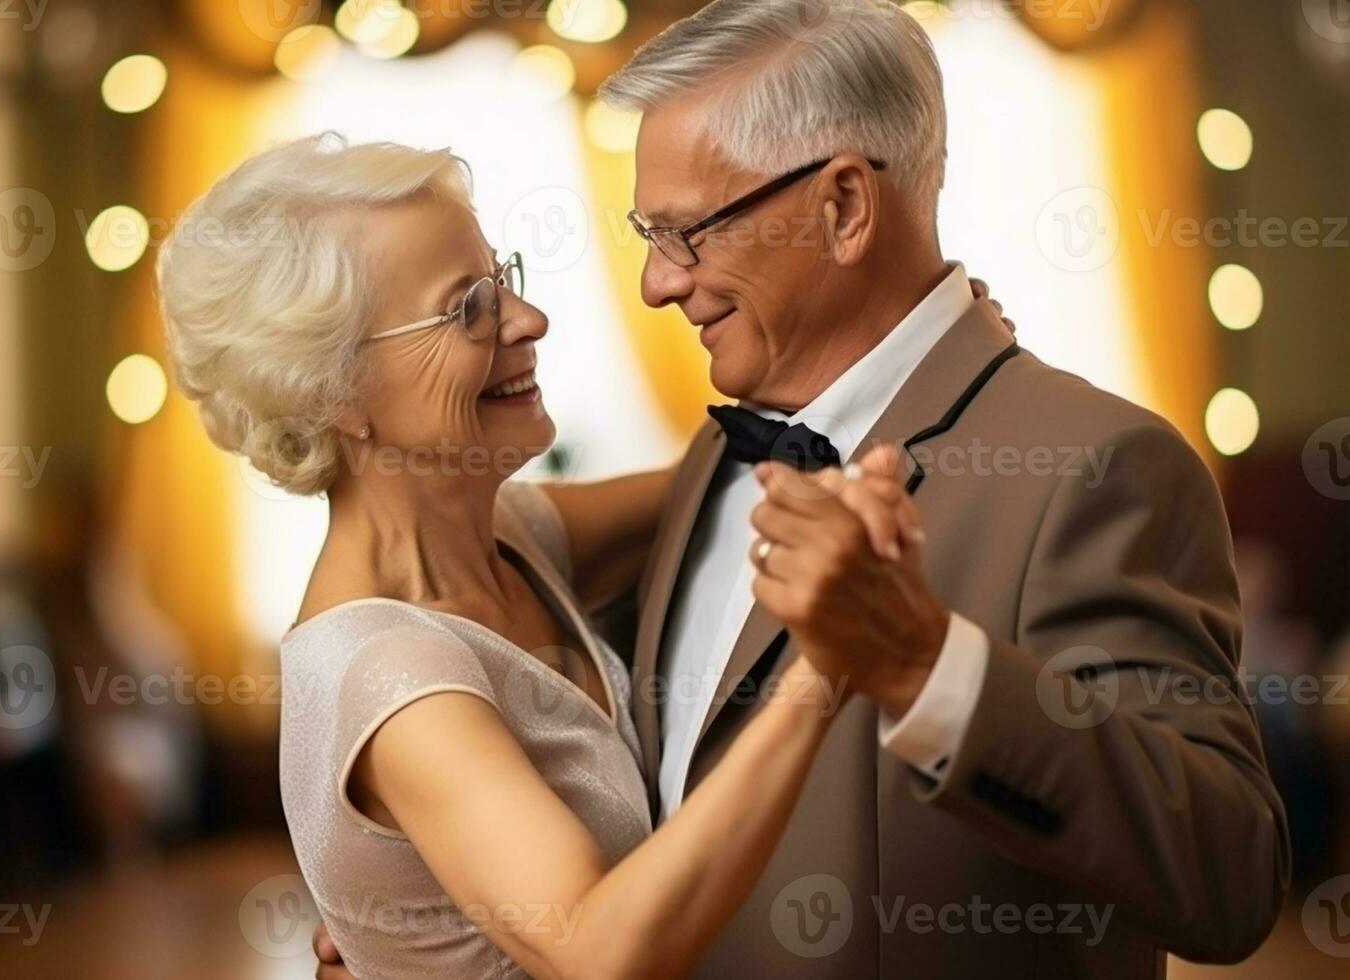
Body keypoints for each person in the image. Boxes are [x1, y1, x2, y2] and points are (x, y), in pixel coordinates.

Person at [312, 0, 1289, 976]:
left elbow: (1232, 877)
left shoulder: (1097, 464)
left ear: (845, 207)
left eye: (687, 233)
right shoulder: (714, 455)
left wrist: (924, 665)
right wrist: (412, 928)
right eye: (645, 231)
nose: (654, 282)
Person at [158, 133, 936, 979]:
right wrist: (825, 664)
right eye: (466, 309)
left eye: (502, 281)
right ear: (336, 393)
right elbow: (601, 951)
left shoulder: (515, 535)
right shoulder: (389, 675)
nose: (528, 321)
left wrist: (919, 360)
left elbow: (730, 469)